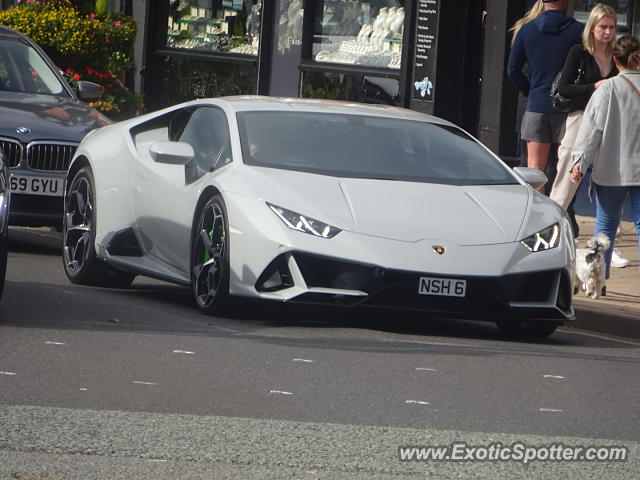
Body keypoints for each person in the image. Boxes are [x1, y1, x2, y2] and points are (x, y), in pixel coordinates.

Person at [570, 34, 640, 279]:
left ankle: (599, 282)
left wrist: (580, 161)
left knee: (605, 230)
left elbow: (592, 131)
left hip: (612, 170)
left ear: (615, 59)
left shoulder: (608, 89)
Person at [549, 3, 618, 239]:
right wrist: (594, 87)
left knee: (608, 176)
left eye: (611, 27)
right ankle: (551, 226)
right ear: (592, 27)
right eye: (603, 27)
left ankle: (607, 238)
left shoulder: (616, 56)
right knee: (568, 169)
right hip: (580, 117)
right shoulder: (579, 52)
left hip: (608, 120)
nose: (607, 32)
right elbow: (564, 87)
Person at [507, 0, 583, 192]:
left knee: (534, 171)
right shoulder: (579, 31)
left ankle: (539, 216)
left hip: (537, 106)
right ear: (565, 2)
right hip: (568, 109)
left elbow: (512, 69)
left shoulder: (527, 30)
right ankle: (564, 213)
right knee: (567, 170)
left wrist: (529, 89)